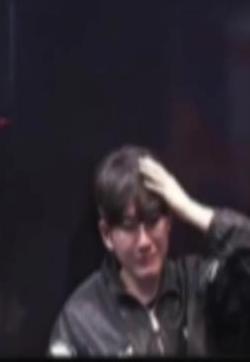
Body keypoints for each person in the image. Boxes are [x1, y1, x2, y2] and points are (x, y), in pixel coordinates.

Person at [48, 145, 250, 356]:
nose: (144, 241)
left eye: (153, 221)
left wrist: (190, 208)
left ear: (168, 222)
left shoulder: (202, 286)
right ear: (107, 235)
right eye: (129, 226)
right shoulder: (81, 321)